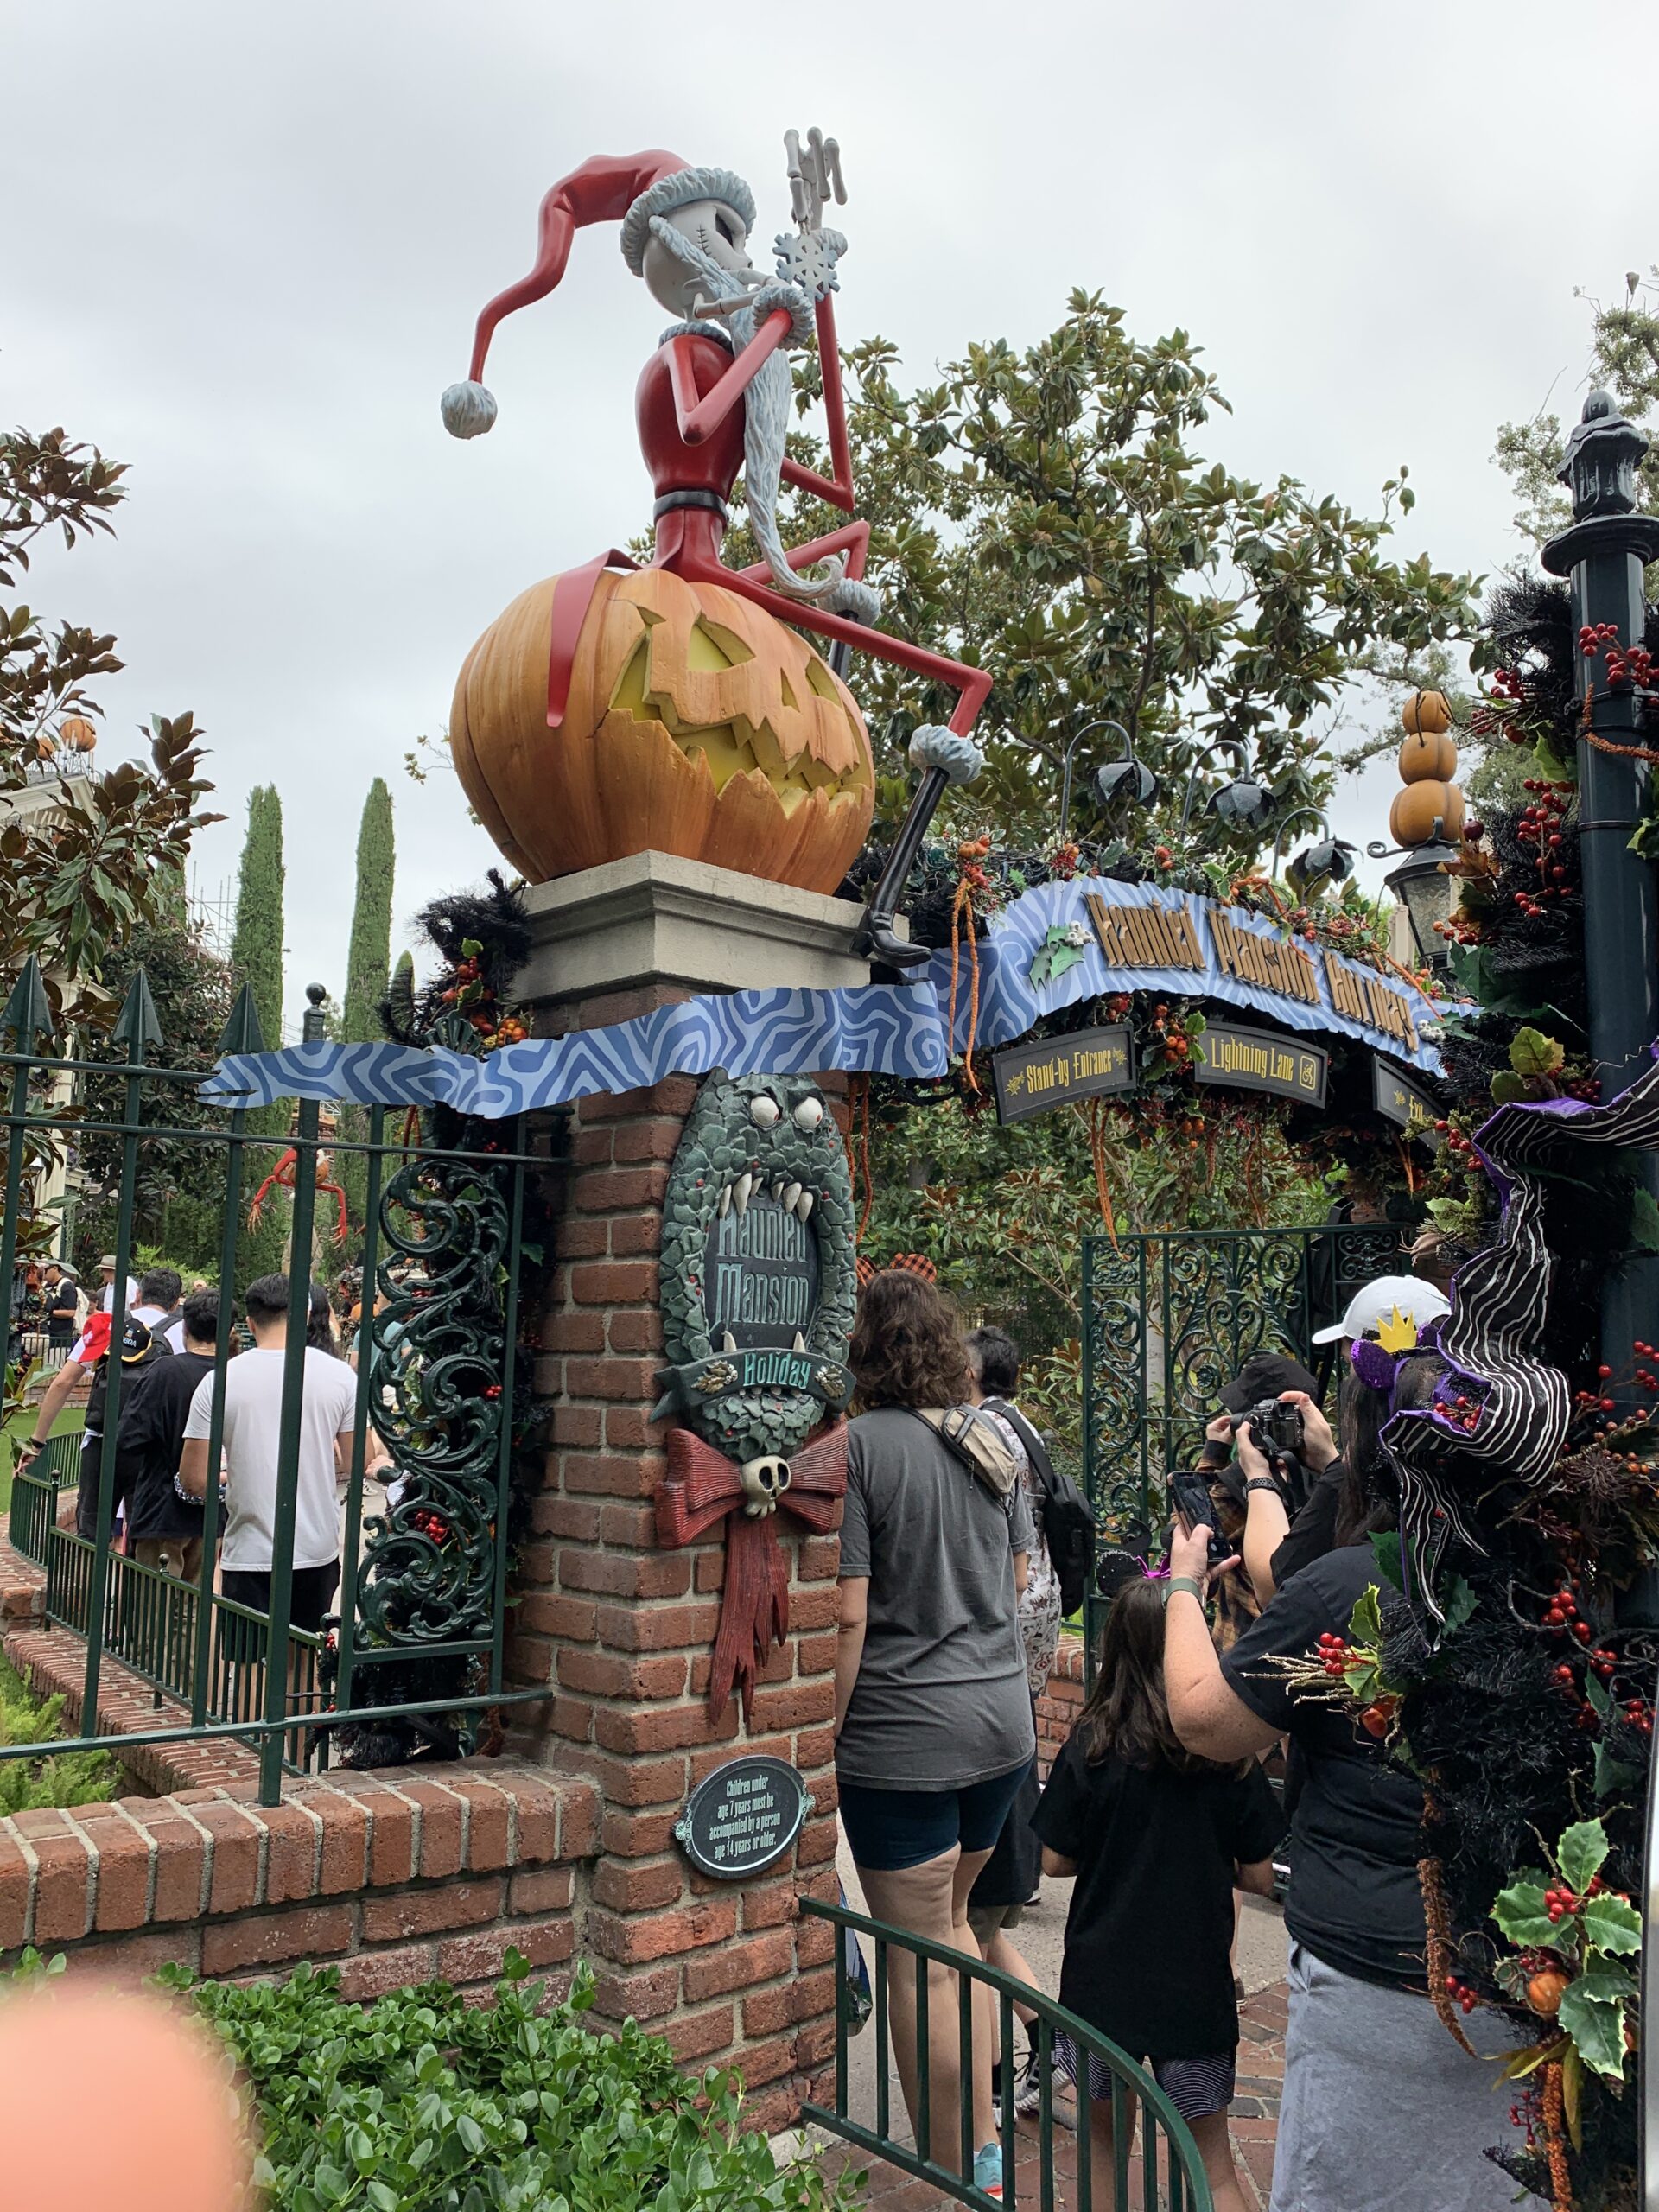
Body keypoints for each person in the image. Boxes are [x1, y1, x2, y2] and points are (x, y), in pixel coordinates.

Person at [1163, 1354, 1522, 2212]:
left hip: (1375, 1970)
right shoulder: (1542, 1576)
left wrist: (1179, 1580)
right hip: (1512, 1964)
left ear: (1370, 1441)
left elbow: (1205, 1720)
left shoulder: (1351, 1585)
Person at [835, 1271, 1035, 2200]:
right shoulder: (992, 1440)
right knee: (957, 1926)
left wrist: (822, 1740)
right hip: (1001, 1723)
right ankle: (984, 2140)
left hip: (905, 1736)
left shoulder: (859, 1451)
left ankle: (953, 2168)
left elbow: (849, 1618)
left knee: (916, 1960)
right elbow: (1020, 1572)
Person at [1034, 1577, 1278, 2212]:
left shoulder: (1091, 1746)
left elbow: (1055, 1860)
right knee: (1212, 2165)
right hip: (1193, 1985)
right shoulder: (1228, 1758)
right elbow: (1258, 1875)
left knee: (1103, 2153)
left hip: (1101, 1985)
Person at [962, 1324, 1061, 2118]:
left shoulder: (982, 1433)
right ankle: (1047, 2044)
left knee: (967, 1928)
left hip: (988, 1693)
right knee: (982, 1924)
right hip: (1014, 1692)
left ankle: (988, 2090)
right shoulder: (1024, 1427)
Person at [1242, 1277, 1450, 1608]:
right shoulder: (1468, 1441)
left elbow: (1274, 1586)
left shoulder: (1354, 1470)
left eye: (1351, 1366)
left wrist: (1259, 1476)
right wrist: (1330, 1461)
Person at [179, 1274, 357, 1634]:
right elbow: (359, 1461)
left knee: (247, 1663)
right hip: (315, 1544)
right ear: (306, 1316)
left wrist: (237, 1479)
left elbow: (194, 1479)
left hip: (248, 1548)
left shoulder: (219, 1381)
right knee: (304, 1660)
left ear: (249, 1322)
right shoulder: (340, 1377)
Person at [114, 1289, 218, 1585]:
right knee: (192, 1608)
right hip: (212, 1511)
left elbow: (128, 1438)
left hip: (162, 1507)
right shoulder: (234, 1373)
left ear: (185, 1327)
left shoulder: (166, 1371)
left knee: (154, 1610)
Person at [43, 1263, 80, 1350]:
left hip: (61, 1336)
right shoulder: (46, 1286)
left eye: (46, 1270)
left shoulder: (66, 1286)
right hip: (48, 1334)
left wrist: (49, 1312)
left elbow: (71, 1312)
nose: (44, 1273)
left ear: (55, 1268)